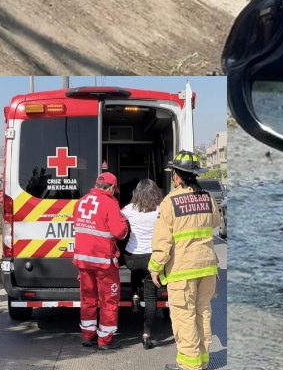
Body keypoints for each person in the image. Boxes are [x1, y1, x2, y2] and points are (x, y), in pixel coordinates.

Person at [151, 152, 221, 370]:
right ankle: (201, 361)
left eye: (173, 173)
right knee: (203, 315)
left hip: (182, 271)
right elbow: (215, 222)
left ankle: (189, 366)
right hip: (207, 268)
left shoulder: (170, 201)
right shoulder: (208, 197)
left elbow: (163, 241)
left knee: (185, 318)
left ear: (177, 176)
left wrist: (155, 267)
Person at [72, 171, 129, 350]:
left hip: (83, 260)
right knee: (108, 300)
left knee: (87, 299)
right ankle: (105, 339)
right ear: (111, 187)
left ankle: (87, 336)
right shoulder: (109, 203)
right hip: (103, 261)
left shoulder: (81, 201)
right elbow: (119, 232)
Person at [122, 178, 164, 349]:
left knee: (136, 270)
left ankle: (134, 296)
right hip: (151, 258)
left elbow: (116, 220)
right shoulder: (161, 210)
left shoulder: (129, 209)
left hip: (131, 258)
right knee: (151, 296)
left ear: (136, 193)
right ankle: (146, 334)